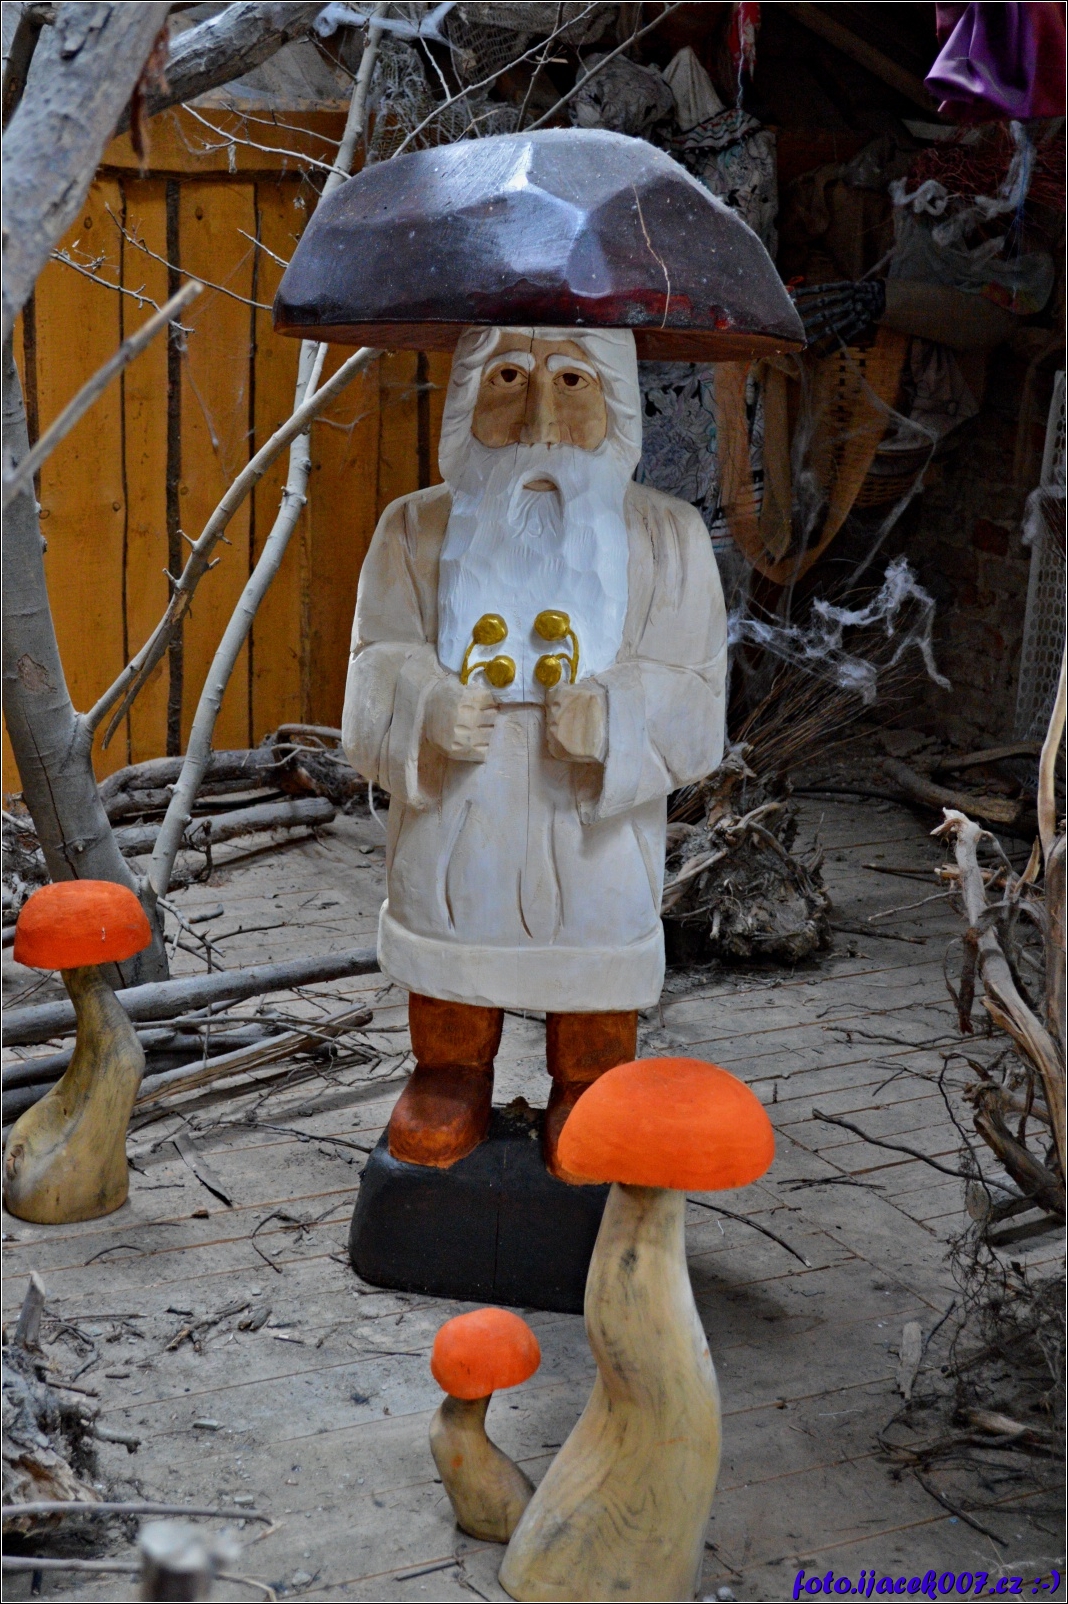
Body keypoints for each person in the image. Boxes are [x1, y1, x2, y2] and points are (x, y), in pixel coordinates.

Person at [342, 324, 727, 1181]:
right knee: (452, 932)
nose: (540, 419)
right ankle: (449, 1072)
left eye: (573, 382)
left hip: (591, 815)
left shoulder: (668, 537)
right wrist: (426, 704)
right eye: (510, 377)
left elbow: (699, 690)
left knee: (595, 944)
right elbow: (375, 660)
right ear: (468, 397)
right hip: (460, 799)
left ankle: (590, 1083)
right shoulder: (412, 528)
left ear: (615, 399)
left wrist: (618, 716)